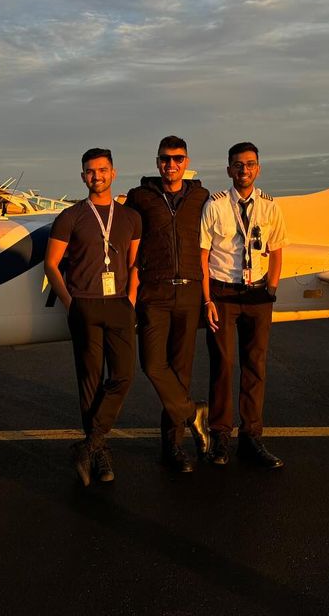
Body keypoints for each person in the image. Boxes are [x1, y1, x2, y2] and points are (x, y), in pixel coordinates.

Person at [44, 148, 142, 486]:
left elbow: (134, 263)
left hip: (118, 304)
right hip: (84, 304)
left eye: (102, 170)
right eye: (90, 171)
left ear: (113, 173)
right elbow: (51, 264)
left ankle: (90, 443)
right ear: (83, 176)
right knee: (90, 381)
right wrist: (70, 303)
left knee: (124, 375)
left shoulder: (130, 217)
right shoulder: (70, 217)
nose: (96, 176)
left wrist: (130, 299)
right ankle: (99, 452)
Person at [124, 135, 210, 473]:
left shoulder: (202, 197)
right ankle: (192, 413)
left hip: (189, 292)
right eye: (164, 159)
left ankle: (173, 448)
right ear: (157, 161)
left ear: (186, 161)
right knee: (152, 364)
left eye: (177, 159)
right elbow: (126, 241)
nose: (170, 165)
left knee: (181, 372)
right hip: (154, 292)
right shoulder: (139, 197)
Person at [200, 142, 287, 469]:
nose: (244, 170)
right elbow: (203, 255)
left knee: (255, 365)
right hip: (223, 292)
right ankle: (220, 435)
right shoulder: (216, 205)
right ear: (229, 170)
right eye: (237, 165)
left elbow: (276, 249)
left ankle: (252, 437)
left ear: (258, 169)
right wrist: (207, 298)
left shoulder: (269, 206)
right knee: (221, 365)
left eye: (250, 164)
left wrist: (272, 286)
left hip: (257, 294)